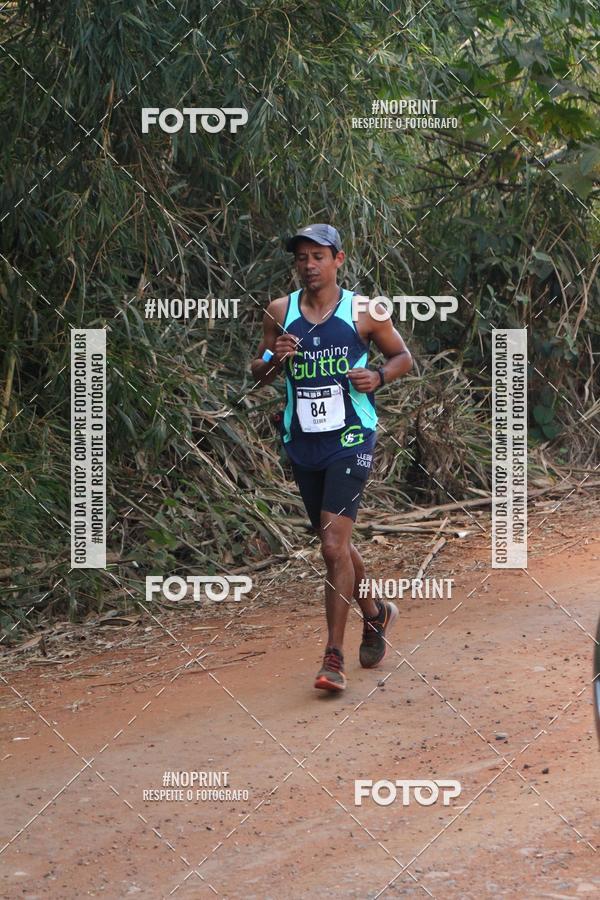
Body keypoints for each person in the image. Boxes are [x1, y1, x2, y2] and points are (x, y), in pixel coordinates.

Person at [251, 224, 412, 692]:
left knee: (331, 547)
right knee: (334, 542)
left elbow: (402, 357)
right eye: (301, 257)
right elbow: (258, 371)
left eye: (318, 256)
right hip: (303, 442)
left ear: (338, 259)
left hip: (351, 438)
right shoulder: (279, 312)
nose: (309, 265)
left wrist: (378, 377)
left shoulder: (365, 311)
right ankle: (376, 613)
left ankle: (333, 658)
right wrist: (275, 359)